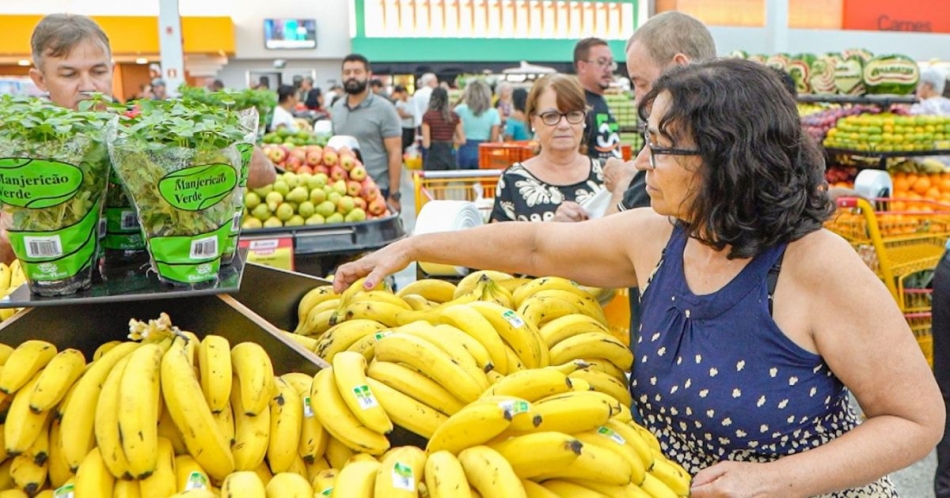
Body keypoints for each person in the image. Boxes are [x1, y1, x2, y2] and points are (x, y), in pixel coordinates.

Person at [333, 59, 943, 497]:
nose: (640, 162)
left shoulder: (816, 265)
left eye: (660, 146)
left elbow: (916, 420)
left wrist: (775, 480)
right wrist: (412, 244)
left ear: (727, 158)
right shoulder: (657, 235)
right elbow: (538, 244)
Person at [7, 13, 276, 267]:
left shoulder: (140, 126)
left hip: (155, 280)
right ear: (40, 79)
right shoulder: (16, 149)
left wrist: (212, 144)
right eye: (69, 74)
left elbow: (265, 176)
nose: (88, 86)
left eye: (98, 71)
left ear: (112, 70)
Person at [491, 75, 604, 223]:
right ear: (533, 121)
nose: (564, 125)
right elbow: (500, 244)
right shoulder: (513, 180)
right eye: (551, 116)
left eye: (574, 114)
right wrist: (551, 231)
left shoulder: (606, 177)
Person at [330, 54, 403, 211]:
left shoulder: (384, 109)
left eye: (357, 72)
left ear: (368, 75)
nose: (352, 76)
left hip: (376, 189)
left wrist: (394, 194)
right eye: (347, 72)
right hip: (344, 189)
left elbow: (395, 152)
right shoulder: (336, 108)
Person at [575, 37, 622, 162]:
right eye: (601, 62)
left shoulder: (599, 100)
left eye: (610, 63)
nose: (608, 69)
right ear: (582, 66)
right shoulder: (576, 103)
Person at [455, 79, 501, 170]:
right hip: (484, 150)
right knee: (483, 182)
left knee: (466, 182)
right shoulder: (493, 113)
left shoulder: (460, 110)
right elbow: (494, 139)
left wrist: (460, 98)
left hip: (464, 150)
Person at [421, 87, 464, 171]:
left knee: (436, 182)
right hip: (449, 155)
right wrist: (450, 140)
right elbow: (462, 140)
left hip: (434, 156)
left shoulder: (428, 116)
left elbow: (426, 144)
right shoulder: (454, 116)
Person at [392, 85, 417, 152]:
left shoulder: (412, 100)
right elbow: (402, 115)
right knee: (404, 142)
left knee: (411, 142)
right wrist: (412, 114)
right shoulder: (399, 103)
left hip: (412, 125)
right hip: (404, 126)